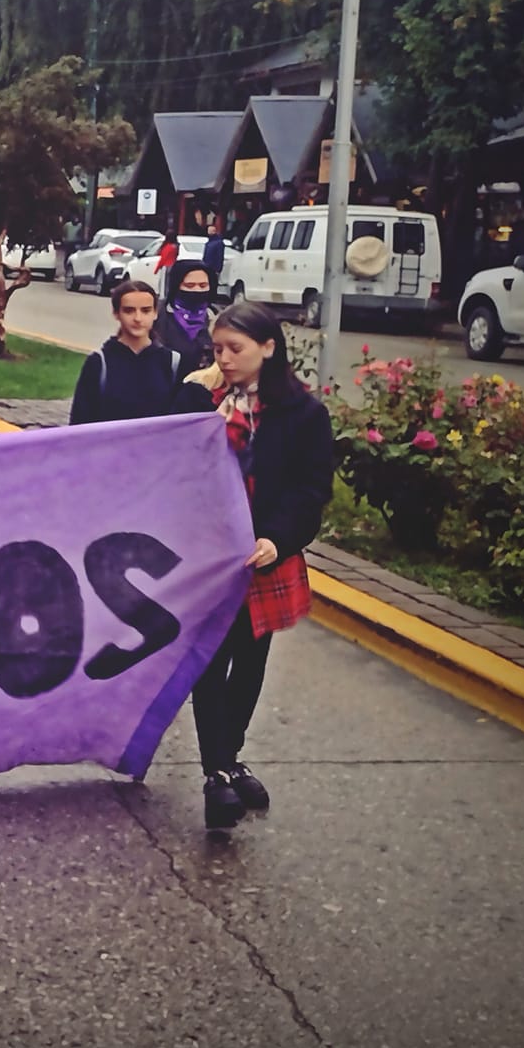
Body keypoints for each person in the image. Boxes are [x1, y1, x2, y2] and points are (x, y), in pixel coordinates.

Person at [188, 301, 334, 831]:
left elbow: (312, 488)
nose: (223, 358)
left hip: (265, 557)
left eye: (234, 349)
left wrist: (279, 538)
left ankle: (229, 758)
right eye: (217, 348)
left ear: (268, 348)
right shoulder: (202, 400)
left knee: (250, 662)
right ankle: (215, 775)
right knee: (209, 662)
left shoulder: (303, 414)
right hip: (208, 557)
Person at [69, 280, 208, 425]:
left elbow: (183, 421)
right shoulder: (99, 362)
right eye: (129, 310)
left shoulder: (172, 362)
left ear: (155, 313)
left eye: (146, 310)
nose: (138, 318)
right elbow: (80, 423)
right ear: (116, 314)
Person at [155, 261, 219, 374]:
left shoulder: (216, 318)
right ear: (176, 285)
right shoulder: (158, 316)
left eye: (203, 285)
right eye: (190, 285)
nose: (197, 290)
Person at [202, 218, 227, 290]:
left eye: (210, 231)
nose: (208, 232)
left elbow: (220, 256)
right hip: (207, 267)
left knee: (213, 284)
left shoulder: (218, 243)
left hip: (213, 268)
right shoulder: (208, 243)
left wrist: (218, 269)